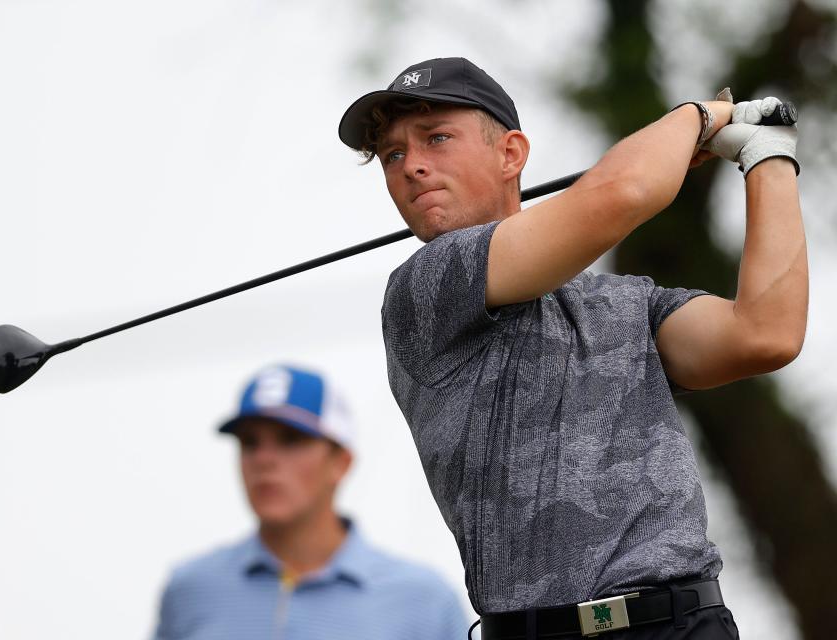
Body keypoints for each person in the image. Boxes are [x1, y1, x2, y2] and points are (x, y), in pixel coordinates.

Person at [337, 57, 806, 639]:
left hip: (683, 624)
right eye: (394, 155)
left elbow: (764, 335)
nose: (413, 167)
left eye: (436, 138)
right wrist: (701, 117)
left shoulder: (626, 303)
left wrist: (768, 156)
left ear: (511, 154)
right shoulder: (424, 287)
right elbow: (624, 192)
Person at [152, 364, 470, 640]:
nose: (264, 459)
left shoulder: (424, 600)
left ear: (341, 462)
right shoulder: (189, 589)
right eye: (250, 442)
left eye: (291, 439)